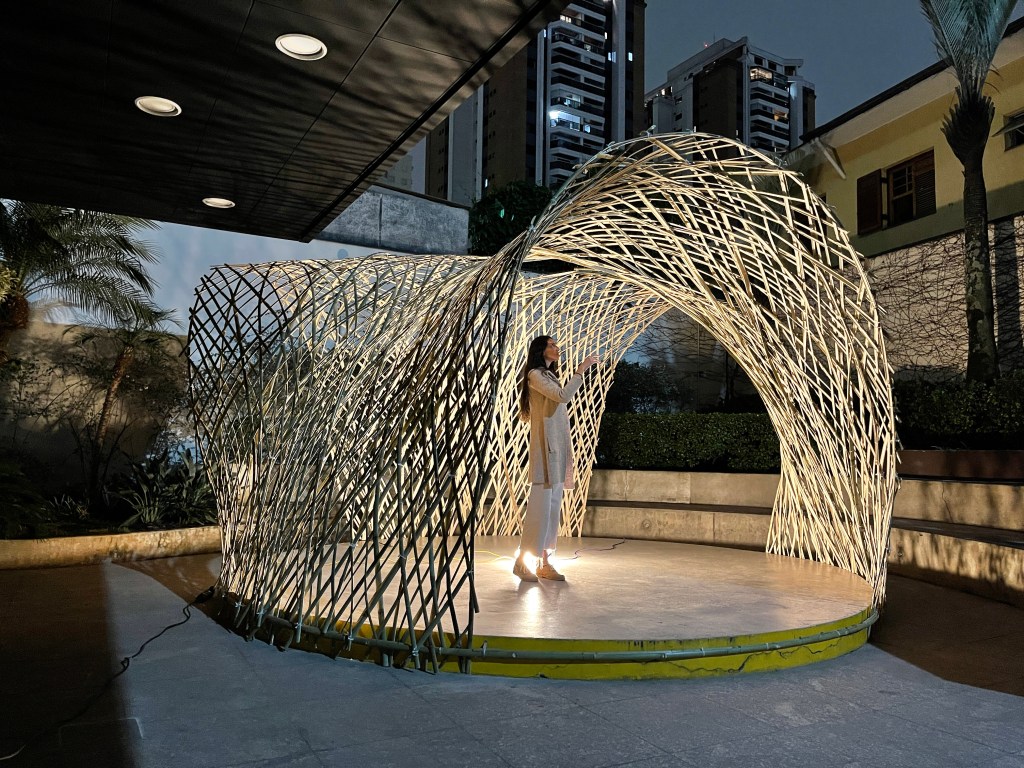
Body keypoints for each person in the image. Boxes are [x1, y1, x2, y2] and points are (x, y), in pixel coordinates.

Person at [514, 335, 599, 582]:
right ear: (541, 350)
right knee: (540, 510)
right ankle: (522, 562)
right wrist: (581, 370)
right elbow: (562, 396)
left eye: (556, 344)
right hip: (545, 453)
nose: (556, 347)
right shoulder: (535, 375)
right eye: (551, 345)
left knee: (552, 512)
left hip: (557, 452)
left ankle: (544, 563)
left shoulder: (549, 375)